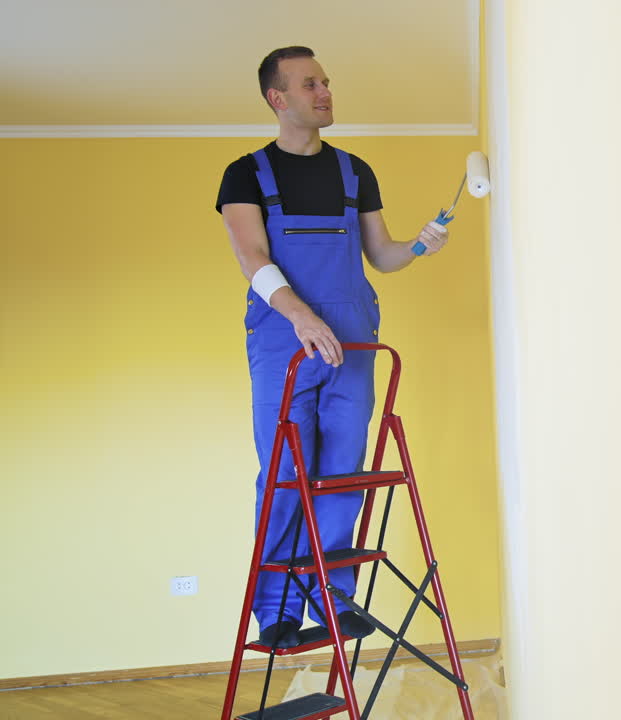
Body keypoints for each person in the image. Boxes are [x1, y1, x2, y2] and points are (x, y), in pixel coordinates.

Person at [216, 46, 448, 649]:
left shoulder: (354, 172)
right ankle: (278, 610)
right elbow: (252, 257)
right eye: (310, 84)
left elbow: (382, 256)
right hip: (284, 338)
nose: (325, 92)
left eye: (326, 82)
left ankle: (333, 600)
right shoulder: (246, 174)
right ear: (278, 98)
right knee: (285, 472)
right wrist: (301, 317)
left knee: (344, 470)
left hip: (353, 336)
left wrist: (419, 245)